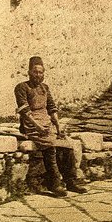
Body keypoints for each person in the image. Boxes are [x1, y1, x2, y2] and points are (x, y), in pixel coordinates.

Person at [14, 56, 87, 197]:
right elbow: (24, 111)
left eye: (41, 72)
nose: (38, 75)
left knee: (67, 146)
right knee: (50, 147)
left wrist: (58, 127)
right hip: (31, 125)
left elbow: (52, 109)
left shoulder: (45, 88)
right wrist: (38, 126)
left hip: (46, 124)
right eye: (35, 72)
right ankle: (54, 184)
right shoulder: (22, 88)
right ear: (29, 72)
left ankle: (71, 181)